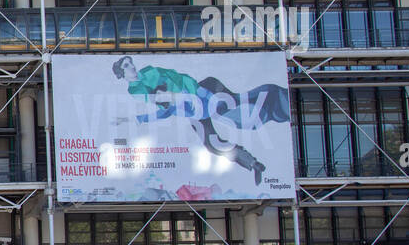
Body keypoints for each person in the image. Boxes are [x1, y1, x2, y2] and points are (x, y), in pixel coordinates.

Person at [111, 56, 290, 187]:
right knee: (212, 143)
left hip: (205, 89)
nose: (132, 66)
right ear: (122, 74)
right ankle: (253, 163)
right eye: (127, 65)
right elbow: (162, 111)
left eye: (130, 62)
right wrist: (131, 119)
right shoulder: (148, 95)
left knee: (235, 109)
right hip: (197, 108)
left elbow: (178, 77)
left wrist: (198, 93)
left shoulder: (150, 72)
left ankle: (277, 99)